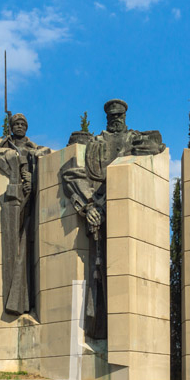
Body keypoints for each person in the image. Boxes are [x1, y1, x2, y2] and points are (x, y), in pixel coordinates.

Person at [61, 99, 166, 339]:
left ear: (125, 117)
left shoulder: (134, 139)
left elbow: (156, 144)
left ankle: (125, 334)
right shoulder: (95, 142)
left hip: (126, 214)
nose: (116, 120)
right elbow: (72, 172)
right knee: (98, 273)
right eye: (111, 117)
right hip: (96, 212)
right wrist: (89, 207)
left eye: (119, 116)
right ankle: (101, 329)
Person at [0, 113, 50, 315]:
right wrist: (3, 141)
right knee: (14, 245)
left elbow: (46, 152)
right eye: (16, 124)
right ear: (11, 127)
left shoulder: (33, 148)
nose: (20, 126)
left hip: (32, 197)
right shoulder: (5, 148)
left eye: (23, 124)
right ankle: (15, 298)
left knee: (26, 241)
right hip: (13, 200)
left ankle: (24, 298)